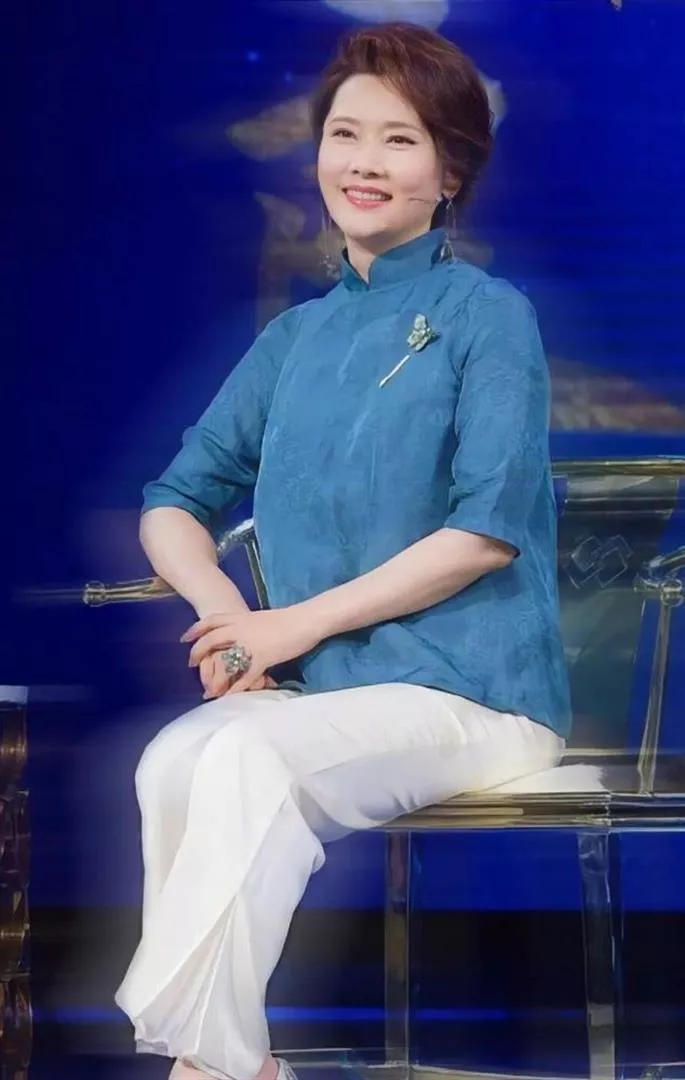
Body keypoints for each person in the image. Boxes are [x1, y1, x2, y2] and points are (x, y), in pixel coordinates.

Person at [114, 21, 572, 1080]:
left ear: (449, 172)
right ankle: (233, 1064)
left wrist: (287, 629)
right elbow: (172, 502)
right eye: (345, 134)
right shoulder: (295, 338)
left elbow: (483, 534)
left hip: (474, 694)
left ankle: (210, 1066)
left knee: (242, 756)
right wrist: (227, 618)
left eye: (399, 140)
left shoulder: (488, 317)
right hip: (330, 697)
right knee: (177, 756)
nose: (363, 162)